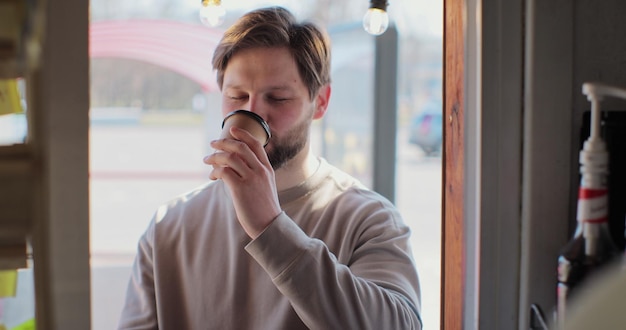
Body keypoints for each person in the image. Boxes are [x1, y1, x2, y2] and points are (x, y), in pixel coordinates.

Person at [118, 6, 422, 330]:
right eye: (237, 96)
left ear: (320, 101)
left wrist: (271, 228)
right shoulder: (169, 228)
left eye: (277, 98)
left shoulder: (367, 220)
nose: (253, 113)